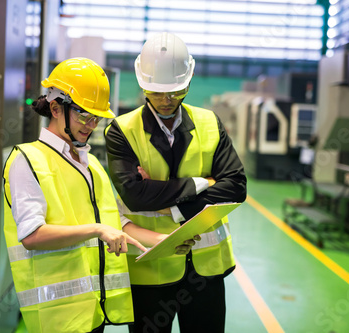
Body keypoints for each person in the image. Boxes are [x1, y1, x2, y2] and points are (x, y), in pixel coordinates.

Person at [104, 32, 247, 333]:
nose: (166, 100)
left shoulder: (210, 122)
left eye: (175, 91)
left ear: (189, 81)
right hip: (152, 270)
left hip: (204, 272)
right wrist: (202, 182)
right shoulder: (121, 130)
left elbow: (235, 185)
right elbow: (135, 196)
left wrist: (175, 208)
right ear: (143, 84)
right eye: (157, 92)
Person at [2, 57, 146, 333]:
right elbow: (32, 236)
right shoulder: (28, 159)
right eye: (83, 115)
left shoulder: (89, 164)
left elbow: (113, 223)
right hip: (57, 316)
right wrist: (97, 229)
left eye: (96, 118)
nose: (90, 125)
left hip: (91, 310)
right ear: (55, 108)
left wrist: (163, 241)